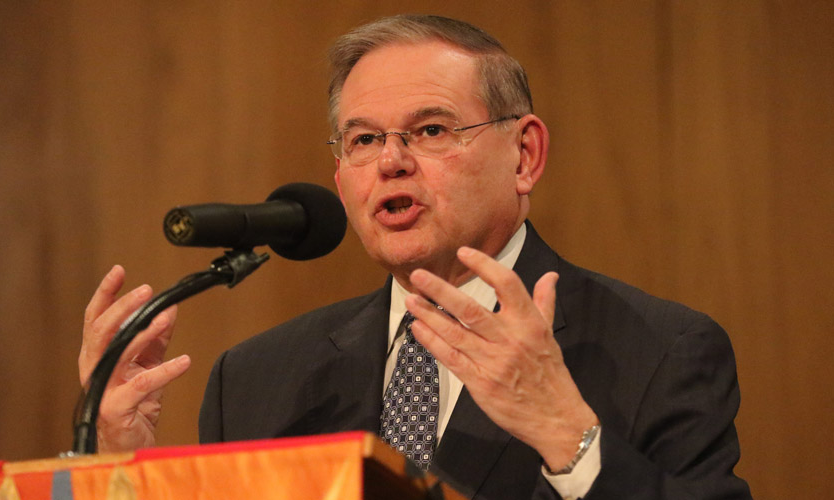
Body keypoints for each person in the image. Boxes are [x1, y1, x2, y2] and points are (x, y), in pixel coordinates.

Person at [80, 15, 751, 499]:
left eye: (430, 130)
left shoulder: (661, 350)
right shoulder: (257, 379)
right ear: (340, 177)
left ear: (524, 155)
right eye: (364, 139)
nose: (391, 162)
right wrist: (121, 467)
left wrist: (569, 441)